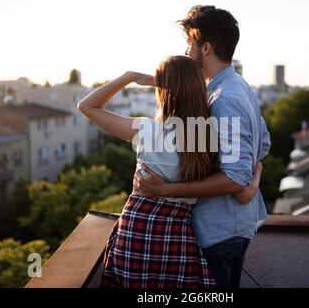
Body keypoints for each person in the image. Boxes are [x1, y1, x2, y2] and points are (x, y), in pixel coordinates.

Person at [77, 55, 261, 288]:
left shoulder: (146, 132)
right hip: (176, 235)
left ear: (163, 90)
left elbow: (86, 106)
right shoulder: (209, 139)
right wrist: (256, 177)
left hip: (137, 229)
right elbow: (243, 193)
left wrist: (130, 77)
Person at [133, 5, 271, 288]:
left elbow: (235, 176)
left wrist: (166, 190)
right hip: (234, 226)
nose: (186, 53)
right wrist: (250, 183)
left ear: (205, 47)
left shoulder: (223, 99)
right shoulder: (240, 87)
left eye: (189, 44)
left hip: (220, 231)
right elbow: (262, 144)